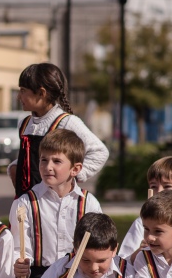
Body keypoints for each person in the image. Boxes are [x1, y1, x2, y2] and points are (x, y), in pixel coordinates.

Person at [8, 129, 102, 278]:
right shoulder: (25, 203)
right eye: (43, 160)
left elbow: (98, 246)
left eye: (57, 161)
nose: (48, 166)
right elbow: (19, 247)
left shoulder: (88, 203)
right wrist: (20, 264)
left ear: (75, 169)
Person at [7, 63, 108, 198]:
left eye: (23, 91)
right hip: (26, 201)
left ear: (41, 93)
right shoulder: (25, 124)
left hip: (53, 202)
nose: (18, 97)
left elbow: (100, 152)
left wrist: (72, 175)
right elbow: (30, 159)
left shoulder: (66, 122)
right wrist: (15, 167)